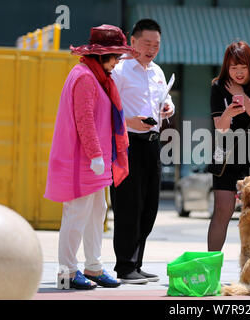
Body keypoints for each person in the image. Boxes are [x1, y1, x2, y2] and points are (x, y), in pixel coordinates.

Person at [44, 24, 133, 290]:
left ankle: (93, 267)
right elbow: (84, 121)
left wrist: (98, 157)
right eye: (115, 55)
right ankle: (66, 272)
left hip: (95, 161)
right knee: (76, 215)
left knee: (97, 213)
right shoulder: (84, 76)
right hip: (82, 160)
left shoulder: (98, 76)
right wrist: (95, 154)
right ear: (101, 54)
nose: (117, 61)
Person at [110, 19, 175, 284]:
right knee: (128, 205)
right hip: (127, 144)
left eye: (156, 45)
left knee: (149, 206)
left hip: (152, 143)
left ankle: (137, 263)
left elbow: (164, 99)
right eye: (147, 43)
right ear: (132, 41)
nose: (151, 49)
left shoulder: (157, 71)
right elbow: (108, 109)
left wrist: (168, 108)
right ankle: (124, 266)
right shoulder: (121, 70)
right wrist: (129, 121)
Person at [207, 40, 250, 251]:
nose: (238, 72)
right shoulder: (219, 86)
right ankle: (211, 267)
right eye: (233, 67)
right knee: (222, 209)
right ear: (226, 67)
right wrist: (228, 113)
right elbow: (220, 127)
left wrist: (245, 99)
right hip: (226, 149)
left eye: (243, 67)